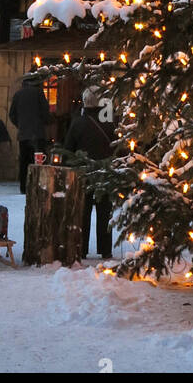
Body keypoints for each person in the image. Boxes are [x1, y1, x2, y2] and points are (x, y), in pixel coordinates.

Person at [63, 88, 115, 259]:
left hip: (84, 173)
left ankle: (82, 248)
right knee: (104, 212)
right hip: (105, 172)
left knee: (83, 211)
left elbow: (68, 149)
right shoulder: (110, 123)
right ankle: (105, 249)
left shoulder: (78, 123)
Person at [9, 73, 51, 194]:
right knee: (38, 163)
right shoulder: (39, 93)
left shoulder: (18, 94)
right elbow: (45, 112)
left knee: (24, 162)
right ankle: (38, 187)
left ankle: (23, 187)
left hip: (23, 135)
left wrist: (20, 125)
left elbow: (12, 115)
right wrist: (45, 122)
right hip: (37, 134)